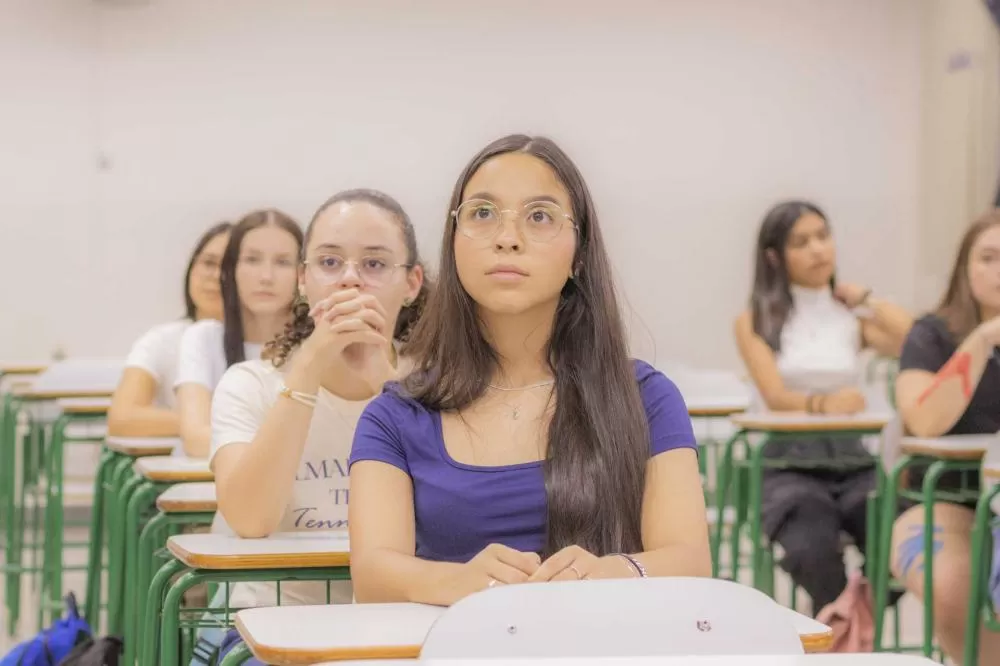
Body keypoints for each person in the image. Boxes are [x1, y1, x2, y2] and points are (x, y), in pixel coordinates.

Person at [348, 134, 711, 607]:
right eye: (482, 213)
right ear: (453, 242)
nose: (507, 237)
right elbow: (373, 573)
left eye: (539, 216)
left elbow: (690, 560)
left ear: (579, 251)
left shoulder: (646, 397)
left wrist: (614, 570)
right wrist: (454, 582)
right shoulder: (394, 417)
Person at [210, 189, 427, 607]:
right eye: (329, 263)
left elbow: (452, 518)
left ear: (411, 284)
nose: (350, 278)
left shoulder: (441, 384)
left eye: (375, 264)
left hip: (402, 624)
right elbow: (251, 520)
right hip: (269, 626)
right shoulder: (249, 384)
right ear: (303, 281)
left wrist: (384, 380)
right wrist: (310, 367)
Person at [733, 200, 912, 615]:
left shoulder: (851, 316)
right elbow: (775, 396)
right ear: (775, 256)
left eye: (823, 236)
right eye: (802, 242)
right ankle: (842, 626)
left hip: (853, 461)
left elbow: (917, 341)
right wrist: (825, 403)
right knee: (810, 542)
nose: (818, 250)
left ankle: (851, 622)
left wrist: (866, 297)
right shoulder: (755, 320)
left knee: (897, 534)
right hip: (786, 465)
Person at [890, 211, 1000, 664]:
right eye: (988, 258)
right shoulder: (931, 335)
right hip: (941, 501)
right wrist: (982, 340)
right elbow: (923, 421)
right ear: (964, 268)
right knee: (951, 582)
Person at [175, 209, 302, 458]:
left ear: (303, 274)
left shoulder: (315, 346)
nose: (266, 277)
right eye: (252, 260)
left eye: (283, 262)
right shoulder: (203, 338)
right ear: (231, 270)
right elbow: (195, 438)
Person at [107, 222, 231, 444]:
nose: (215, 276)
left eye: (228, 267)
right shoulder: (162, 340)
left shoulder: (271, 341)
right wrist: (201, 424)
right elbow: (123, 417)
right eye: (208, 263)